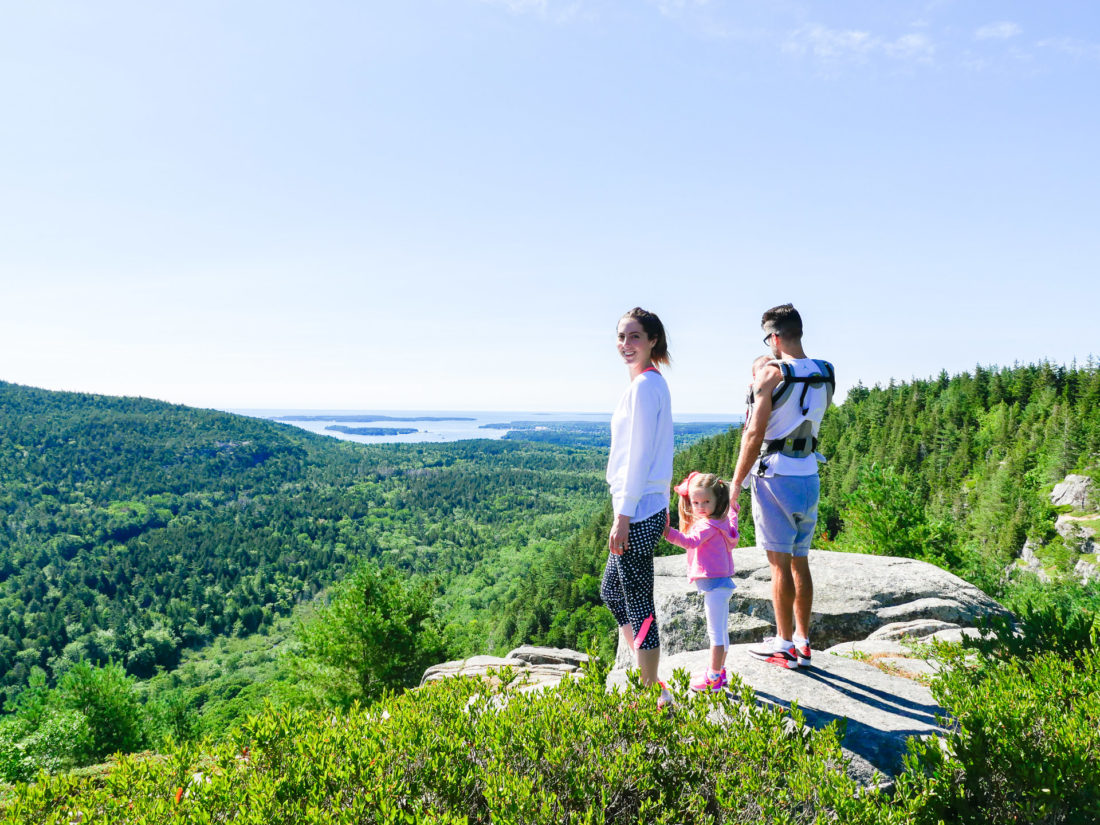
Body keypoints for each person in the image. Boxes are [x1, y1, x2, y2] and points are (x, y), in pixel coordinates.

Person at [730, 304, 834, 669]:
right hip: (809, 472)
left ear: (774, 337)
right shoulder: (826, 371)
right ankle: (804, 643)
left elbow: (754, 433)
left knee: (779, 564)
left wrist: (736, 483)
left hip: (775, 475)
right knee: (800, 562)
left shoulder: (772, 373)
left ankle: (783, 643)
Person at [600, 307, 675, 709]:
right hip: (645, 507)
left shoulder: (646, 387)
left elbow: (640, 455)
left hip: (639, 511)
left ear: (652, 341)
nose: (625, 345)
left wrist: (622, 516)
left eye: (634, 337)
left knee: (638, 600)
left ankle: (650, 689)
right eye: (621, 337)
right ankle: (646, 671)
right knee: (612, 590)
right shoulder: (648, 384)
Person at [663, 472, 738, 692]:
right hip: (721, 583)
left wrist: (666, 531)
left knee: (715, 633)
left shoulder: (706, 526)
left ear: (717, 500)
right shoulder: (722, 520)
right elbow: (733, 519)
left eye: (706, 501)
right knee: (722, 632)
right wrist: (733, 509)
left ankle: (713, 678)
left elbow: (689, 541)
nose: (700, 506)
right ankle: (719, 672)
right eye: (695, 502)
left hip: (714, 585)